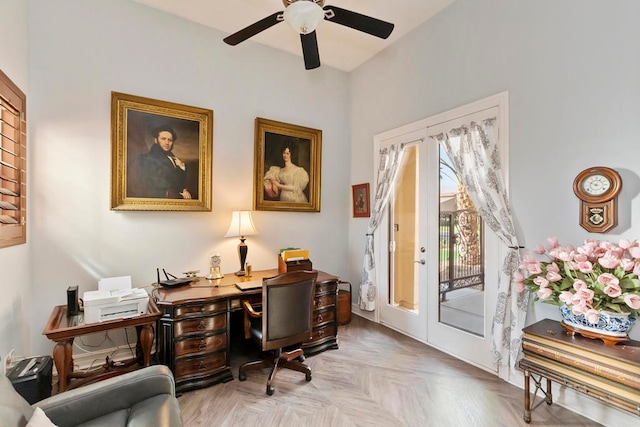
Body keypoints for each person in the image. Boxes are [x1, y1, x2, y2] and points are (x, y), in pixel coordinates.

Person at [138, 125, 192, 199]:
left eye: (170, 140)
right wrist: (181, 192)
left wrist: (181, 167)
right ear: (156, 140)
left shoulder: (172, 158)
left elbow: (176, 181)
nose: (167, 142)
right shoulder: (147, 159)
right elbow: (162, 184)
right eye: (163, 139)